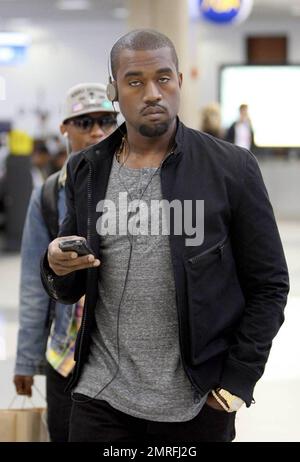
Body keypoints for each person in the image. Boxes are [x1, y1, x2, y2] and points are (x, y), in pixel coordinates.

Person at [41, 30, 289, 443]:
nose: (152, 92)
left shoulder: (231, 169)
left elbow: (270, 285)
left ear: (179, 82)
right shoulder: (89, 168)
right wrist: (54, 264)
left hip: (195, 405)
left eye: (163, 78)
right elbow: (69, 283)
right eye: (135, 81)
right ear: (114, 91)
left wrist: (234, 386)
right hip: (100, 399)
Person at [14, 82, 118, 442]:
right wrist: (27, 359)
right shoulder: (47, 196)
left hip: (119, 355)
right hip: (66, 355)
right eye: (84, 122)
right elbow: (32, 281)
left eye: (106, 121)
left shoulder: (132, 188)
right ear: (64, 128)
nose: (98, 132)